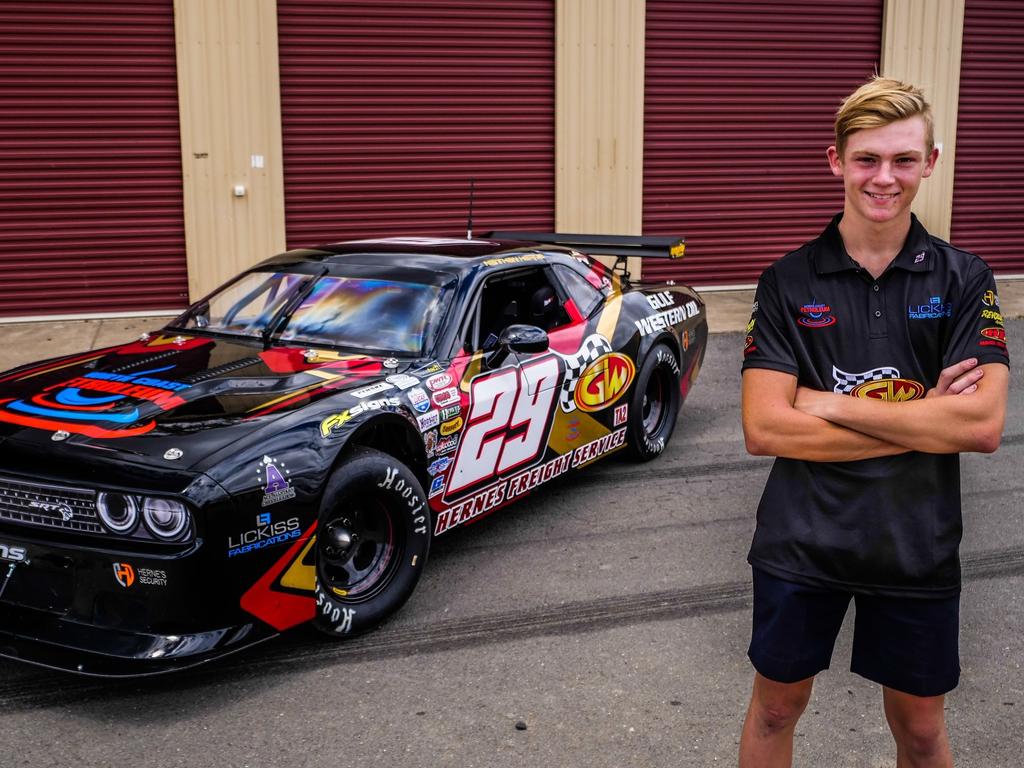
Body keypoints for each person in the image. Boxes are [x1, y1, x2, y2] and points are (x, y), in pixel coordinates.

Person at [738, 76, 1010, 767]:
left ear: (930, 163)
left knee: (920, 730)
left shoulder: (964, 280)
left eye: (902, 159)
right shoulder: (786, 282)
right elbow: (766, 428)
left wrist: (823, 400)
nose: (883, 178)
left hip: (915, 542)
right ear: (835, 160)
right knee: (774, 709)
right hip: (802, 541)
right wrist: (925, 415)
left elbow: (980, 425)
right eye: (866, 159)